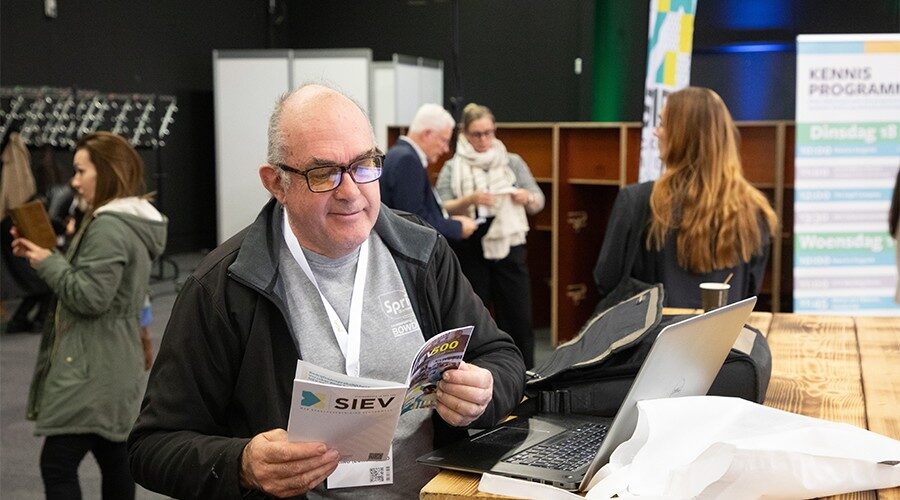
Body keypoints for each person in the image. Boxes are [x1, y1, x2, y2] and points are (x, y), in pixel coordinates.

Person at [127, 84, 526, 499]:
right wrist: (242, 464)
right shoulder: (224, 288)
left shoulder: (421, 253)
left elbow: (503, 357)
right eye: (323, 174)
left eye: (364, 165)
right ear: (276, 184)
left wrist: (485, 391)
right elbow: (152, 447)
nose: (351, 191)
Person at [11, 131, 168, 499]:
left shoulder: (110, 227)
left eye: (82, 171)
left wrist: (47, 262)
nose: (74, 181)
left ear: (108, 172)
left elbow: (89, 297)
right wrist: (43, 257)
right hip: (112, 361)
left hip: (92, 365)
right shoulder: (124, 222)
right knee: (114, 458)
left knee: (59, 464)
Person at [593, 87, 777, 309]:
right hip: (725, 341)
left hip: (655, 341)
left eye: (662, 124)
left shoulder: (636, 202)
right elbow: (750, 291)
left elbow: (607, 280)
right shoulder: (755, 210)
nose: (656, 132)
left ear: (682, 135)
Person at [435, 103, 545, 368]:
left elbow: (538, 201)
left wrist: (525, 196)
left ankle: (525, 375)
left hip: (509, 244)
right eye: (477, 134)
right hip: (471, 245)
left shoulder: (511, 161)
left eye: (488, 133)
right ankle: (479, 373)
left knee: (518, 315)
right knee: (475, 317)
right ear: (465, 133)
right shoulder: (453, 166)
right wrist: (470, 199)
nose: (484, 140)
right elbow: (440, 207)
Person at [380, 103, 477, 241]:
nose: (445, 149)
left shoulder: (399, 154)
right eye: (444, 141)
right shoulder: (407, 160)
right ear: (427, 134)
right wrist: (456, 227)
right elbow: (414, 221)